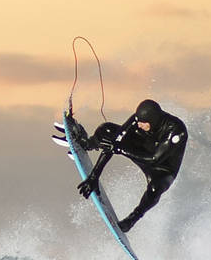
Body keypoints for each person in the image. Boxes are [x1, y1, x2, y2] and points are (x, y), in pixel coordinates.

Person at [74, 97, 187, 233]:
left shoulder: (176, 130)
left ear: (153, 121)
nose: (138, 124)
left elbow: (154, 159)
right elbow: (115, 143)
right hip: (141, 149)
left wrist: (121, 149)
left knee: (154, 189)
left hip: (163, 168)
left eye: (143, 123)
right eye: (138, 120)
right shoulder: (137, 120)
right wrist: (94, 176)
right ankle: (87, 143)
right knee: (108, 130)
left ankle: (131, 220)